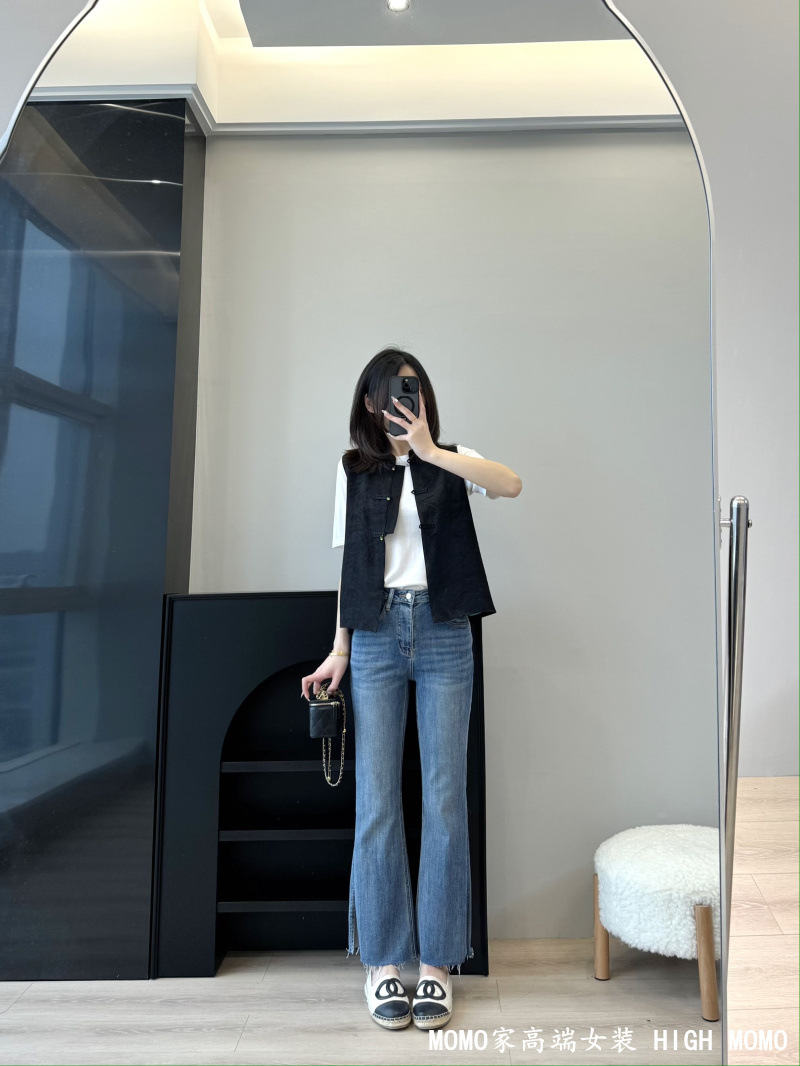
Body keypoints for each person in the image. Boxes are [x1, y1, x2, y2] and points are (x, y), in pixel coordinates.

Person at [301, 347, 521, 1031]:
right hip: (374, 636)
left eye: (413, 390)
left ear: (424, 398)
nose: (402, 402)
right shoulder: (353, 470)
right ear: (370, 403)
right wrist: (339, 649)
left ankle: (438, 965)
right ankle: (384, 962)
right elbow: (352, 569)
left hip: (445, 630)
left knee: (445, 800)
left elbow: (511, 484)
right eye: (391, 393)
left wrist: (430, 451)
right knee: (377, 802)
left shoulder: (452, 459)